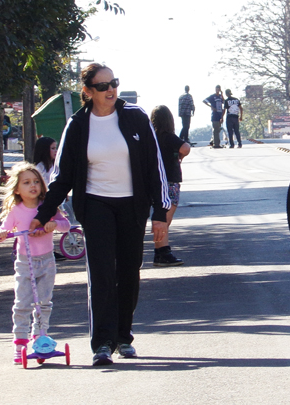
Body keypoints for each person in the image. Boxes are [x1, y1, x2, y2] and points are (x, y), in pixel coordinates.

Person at [28, 63, 170, 366]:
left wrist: (160, 211)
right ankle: (102, 343)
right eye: (103, 86)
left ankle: (123, 336)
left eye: (114, 83)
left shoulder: (135, 117)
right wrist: (43, 213)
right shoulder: (77, 125)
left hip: (132, 205)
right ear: (88, 91)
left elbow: (154, 166)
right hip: (96, 205)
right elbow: (62, 176)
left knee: (129, 271)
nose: (111, 90)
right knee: (102, 273)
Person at [0, 162, 70, 364]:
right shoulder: (16, 211)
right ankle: (20, 342)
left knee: (44, 301)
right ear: (17, 189)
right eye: (27, 182)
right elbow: (3, 231)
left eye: (36, 181)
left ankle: (41, 337)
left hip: (46, 260)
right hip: (24, 262)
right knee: (23, 303)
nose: (33, 186)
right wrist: (3, 234)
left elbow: (66, 225)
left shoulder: (47, 208)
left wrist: (54, 223)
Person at [150, 105, 191, 266]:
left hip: (155, 179)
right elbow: (186, 148)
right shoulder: (168, 136)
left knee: (162, 216)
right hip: (170, 180)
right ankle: (162, 251)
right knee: (165, 217)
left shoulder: (152, 137)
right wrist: (180, 155)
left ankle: (161, 250)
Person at [33, 136, 67, 261]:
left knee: (50, 226)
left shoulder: (53, 166)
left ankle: (50, 250)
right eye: (52, 148)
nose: (55, 151)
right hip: (42, 202)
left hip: (52, 201)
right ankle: (45, 250)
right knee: (44, 226)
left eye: (56, 148)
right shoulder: (40, 168)